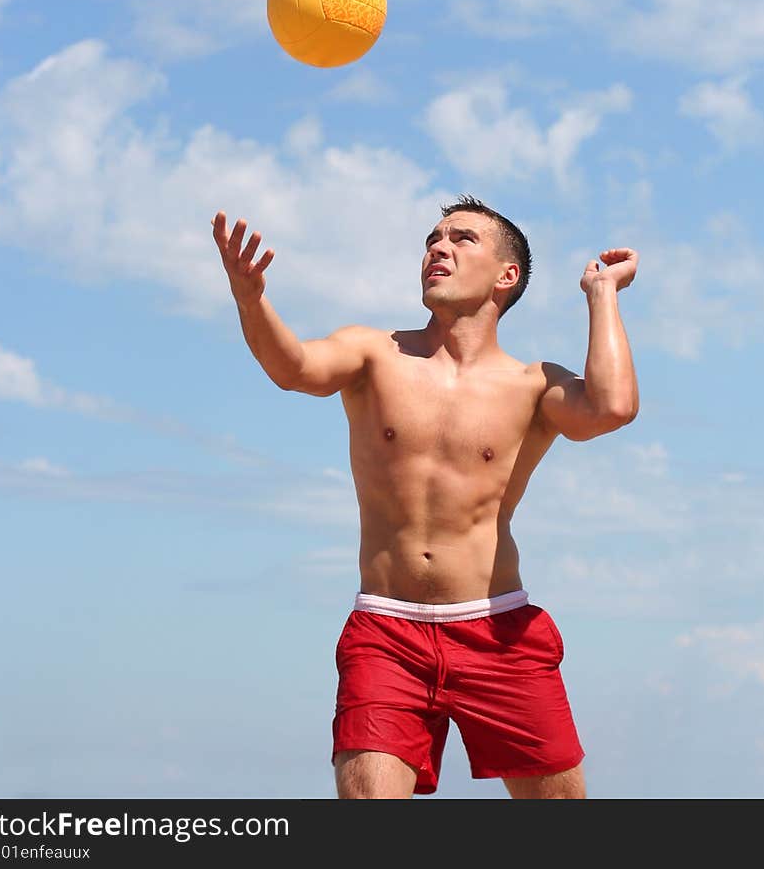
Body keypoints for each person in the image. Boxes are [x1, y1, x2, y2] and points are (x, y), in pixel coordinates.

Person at [212, 194, 639, 800]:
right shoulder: (373, 353)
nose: (438, 247)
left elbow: (612, 407)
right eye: (433, 239)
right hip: (386, 634)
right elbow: (295, 367)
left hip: (499, 633)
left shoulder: (531, 384)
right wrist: (251, 299)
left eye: (462, 239)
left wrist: (602, 294)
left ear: (506, 276)